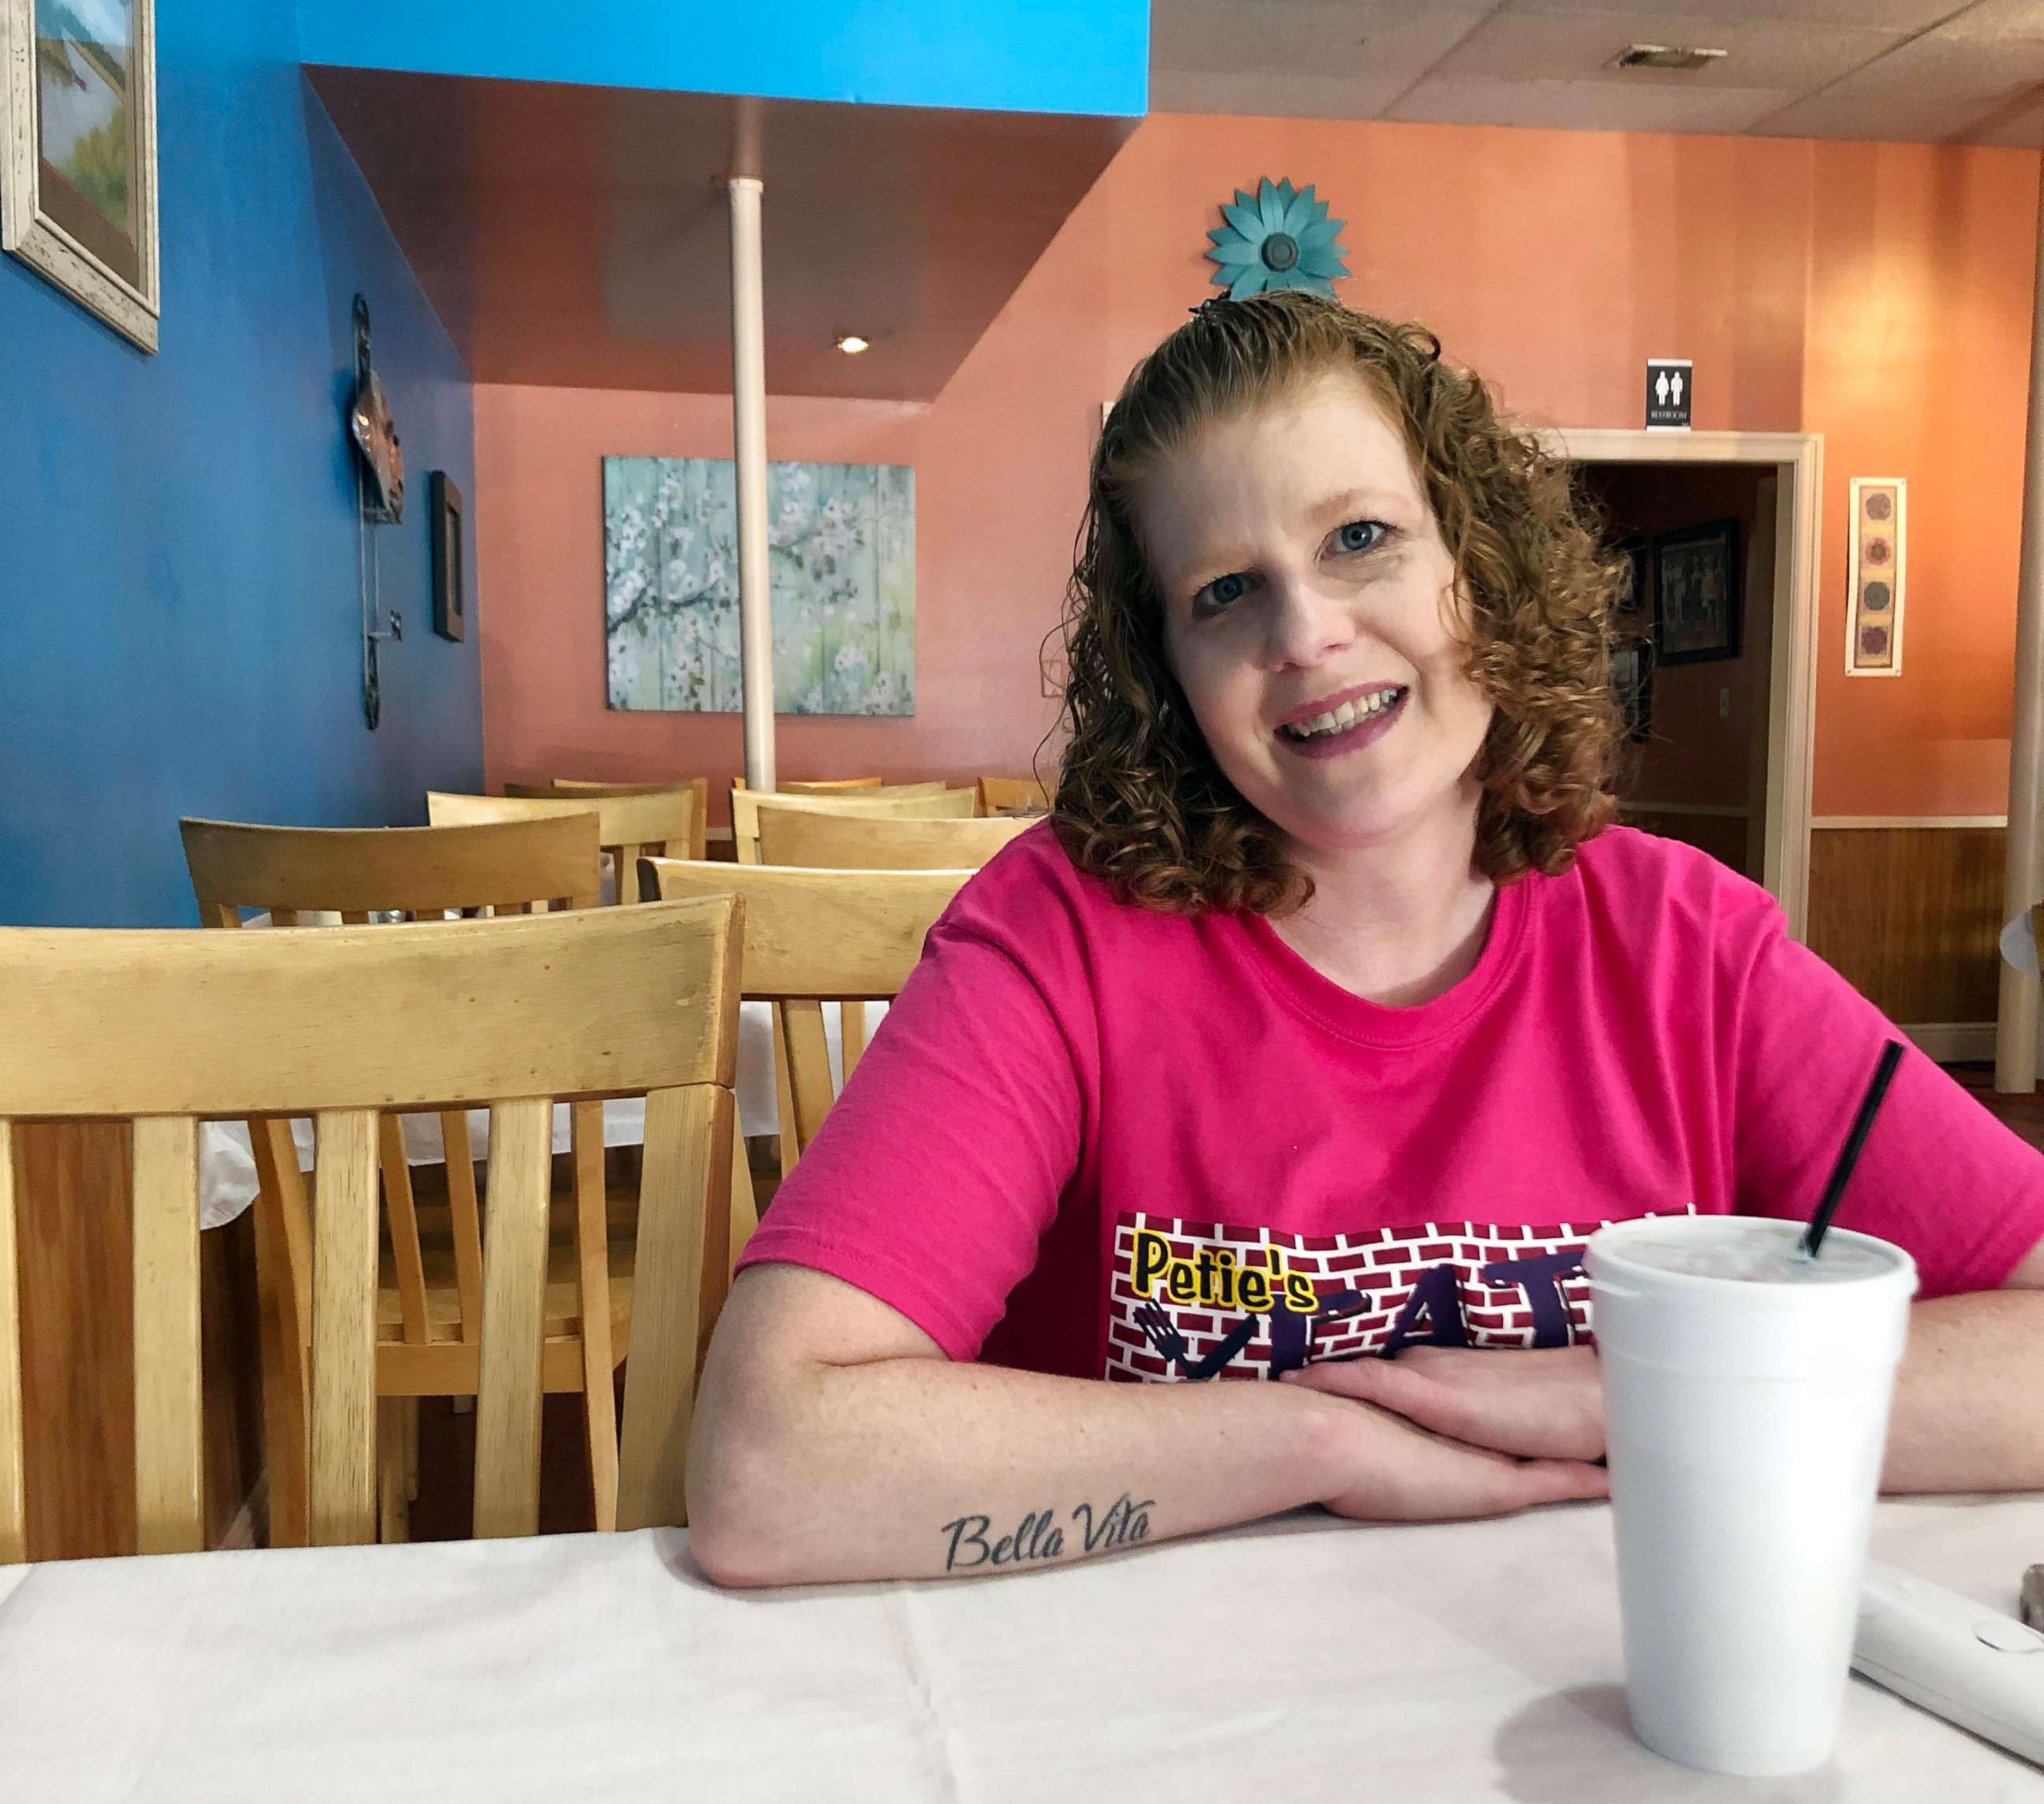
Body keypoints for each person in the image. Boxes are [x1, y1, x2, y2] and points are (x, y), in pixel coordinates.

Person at [684, 292, 2044, 1588]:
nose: (1309, 632)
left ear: (1479, 569)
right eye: (1225, 592)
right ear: (1170, 676)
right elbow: (769, 1466)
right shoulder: (1060, 940)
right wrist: (1319, 1438)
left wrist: (1616, 1397)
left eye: (1360, 539)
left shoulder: (1690, 946)